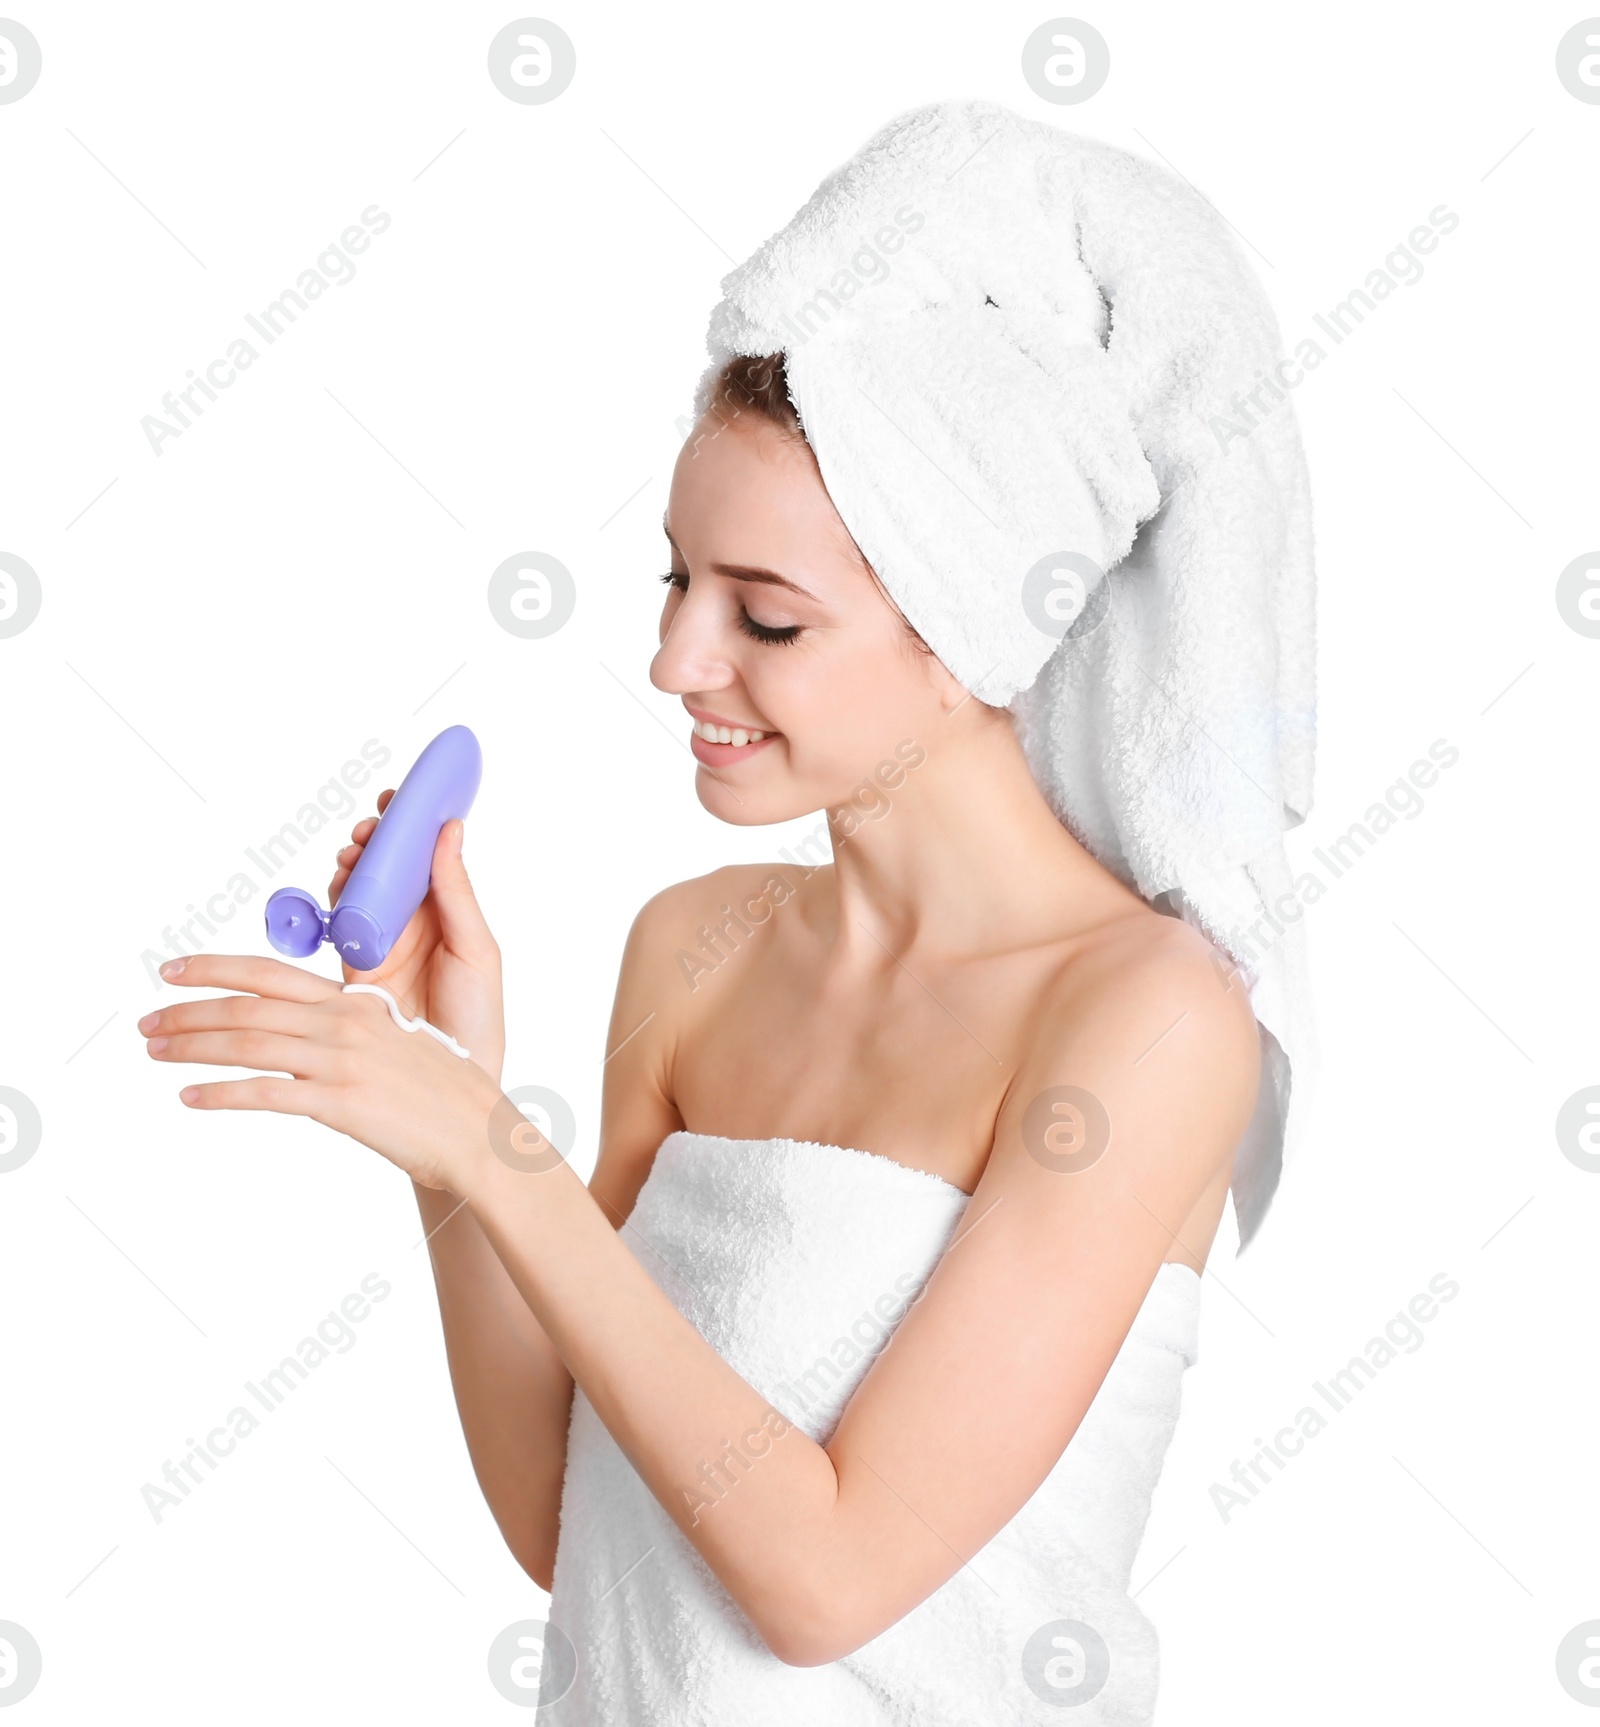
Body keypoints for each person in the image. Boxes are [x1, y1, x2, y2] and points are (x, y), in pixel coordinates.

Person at [139, 98, 1315, 1724]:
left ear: (975, 626)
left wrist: (502, 1157)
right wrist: (452, 1123)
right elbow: (571, 1518)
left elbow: (822, 1582)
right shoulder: (697, 952)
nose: (679, 665)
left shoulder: (1151, 1019)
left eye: (767, 618)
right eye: (677, 586)